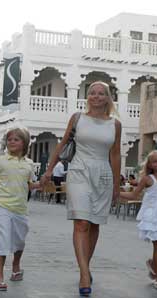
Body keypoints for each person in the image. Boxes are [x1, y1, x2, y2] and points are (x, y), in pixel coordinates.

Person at [41, 81, 121, 296]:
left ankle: (85, 266)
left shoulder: (115, 124)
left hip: (103, 174)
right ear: (88, 97)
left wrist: (116, 185)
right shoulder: (77, 118)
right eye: (92, 93)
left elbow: (115, 154)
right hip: (79, 171)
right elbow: (62, 144)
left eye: (101, 93)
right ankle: (84, 274)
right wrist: (49, 170)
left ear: (108, 98)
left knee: (94, 224)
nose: (96, 96)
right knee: (82, 222)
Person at [0, 127, 39, 292]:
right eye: (9, 139)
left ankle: (16, 266)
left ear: (24, 143)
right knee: (3, 239)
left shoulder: (29, 164)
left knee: (20, 241)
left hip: (20, 209)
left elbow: (30, 185)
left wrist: (41, 184)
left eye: (16, 139)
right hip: (1, 207)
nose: (12, 142)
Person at [120, 150, 157, 291]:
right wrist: (116, 193)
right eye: (155, 161)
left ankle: (153, 263)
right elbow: (134, 194)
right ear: (150, 165)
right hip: (152, 216)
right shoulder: (148, 179)